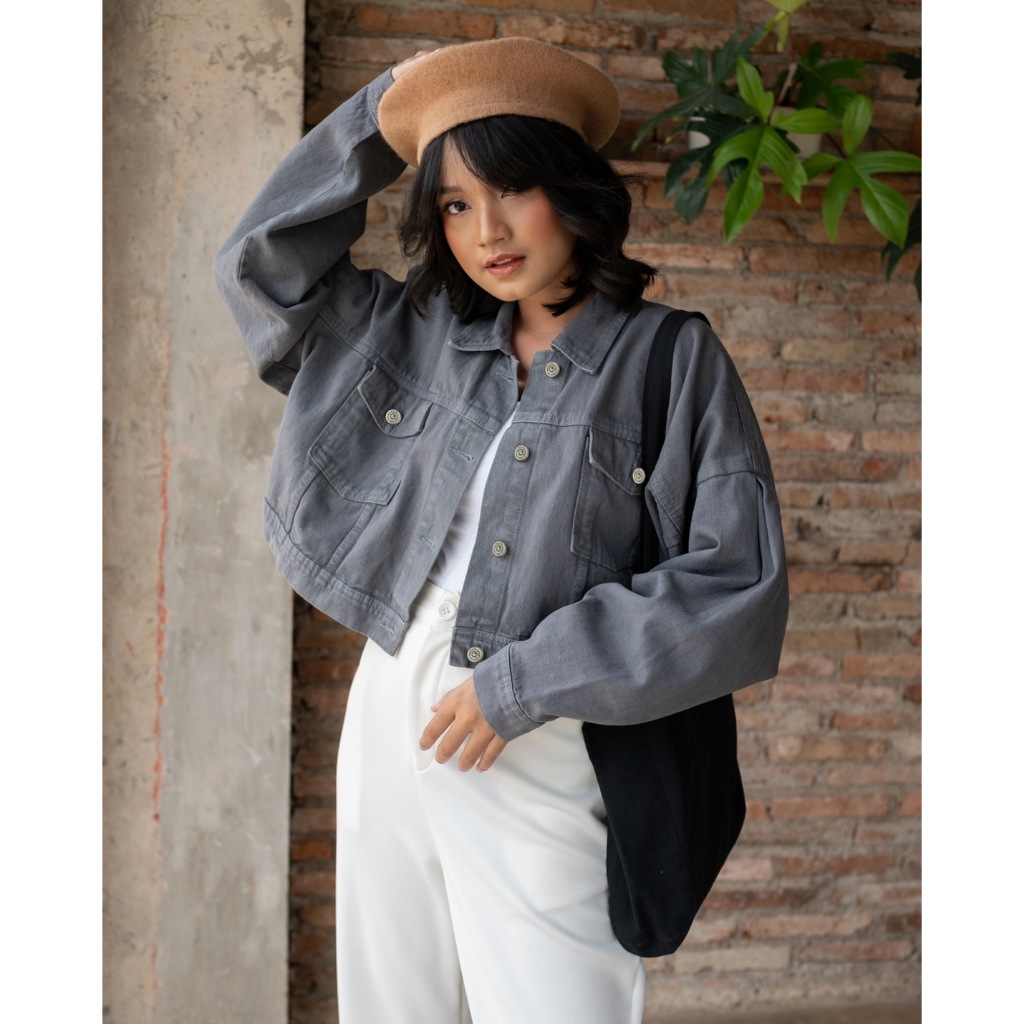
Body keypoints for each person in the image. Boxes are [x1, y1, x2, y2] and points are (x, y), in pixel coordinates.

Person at [215, 37, 788, 1024]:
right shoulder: (413, 333)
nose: (486, 231)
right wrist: (391, 110)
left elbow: (737, 581)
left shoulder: (669, 359)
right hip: (393, 699)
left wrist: (520, 681)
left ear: (572, 189)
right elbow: (260, 265)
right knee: (391, 1002)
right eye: (454, 204)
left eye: (513, 189)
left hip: (547, 724)